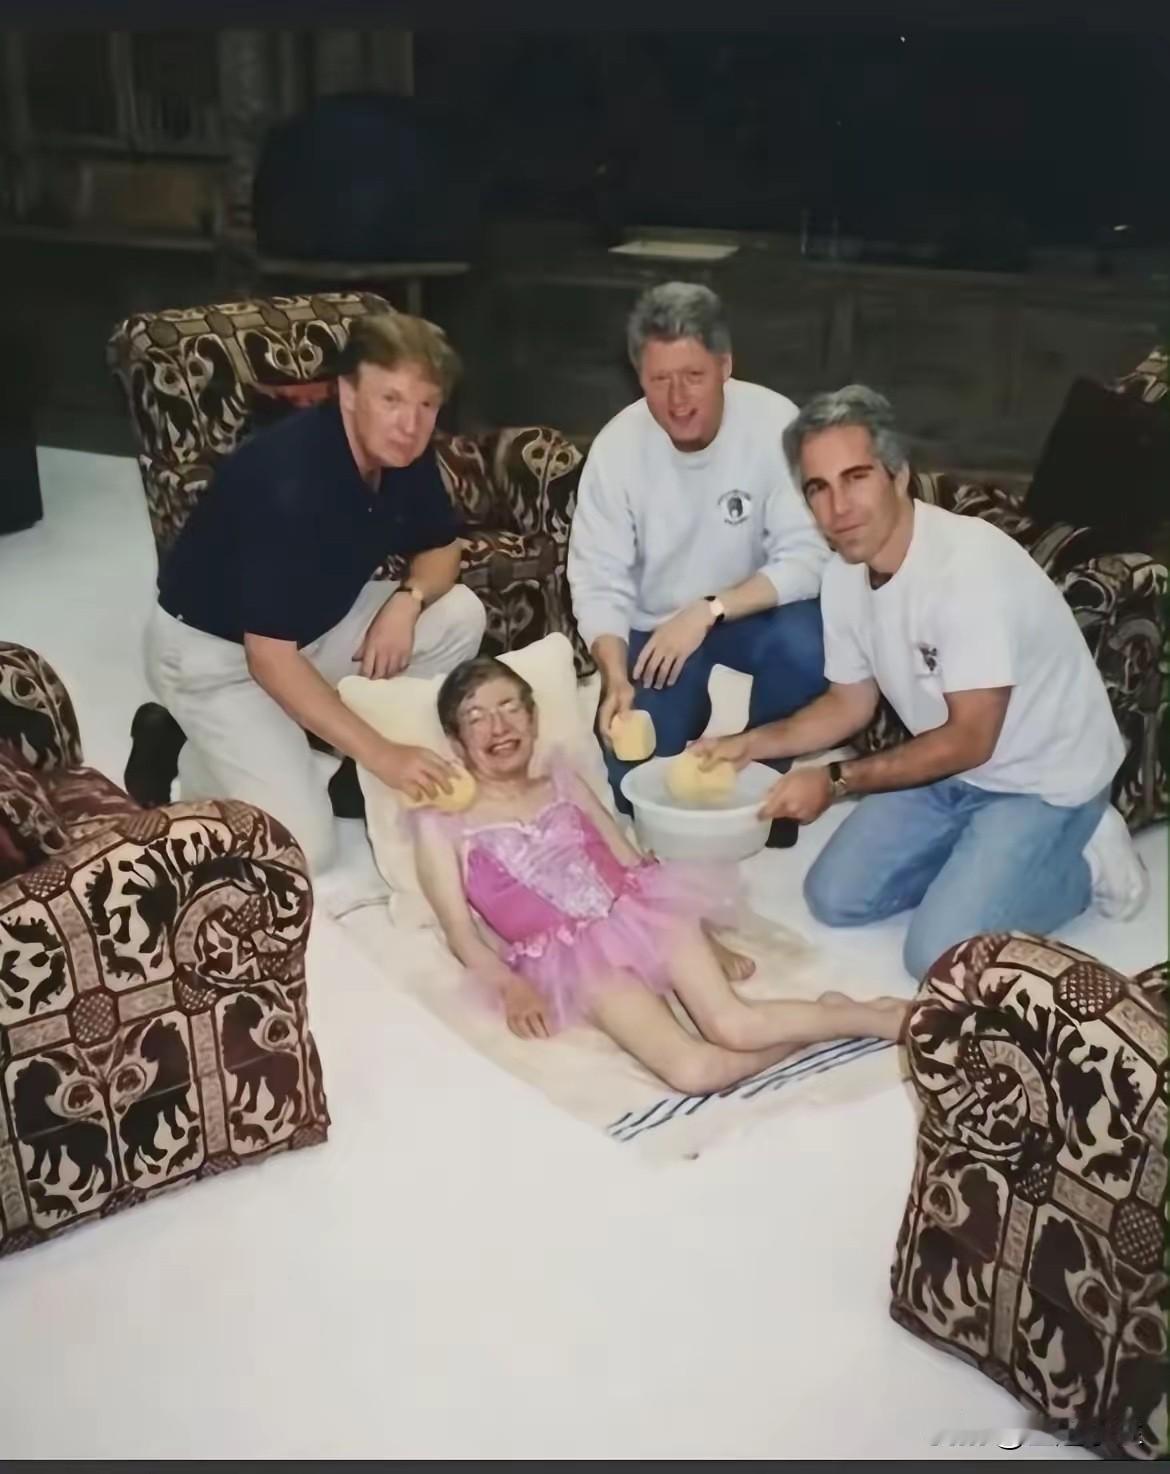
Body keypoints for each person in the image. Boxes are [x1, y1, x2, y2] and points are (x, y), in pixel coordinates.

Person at [694, 385, 1145, 981]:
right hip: (952, 770)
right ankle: (981, 861)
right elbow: (848, 703)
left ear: (899, 474)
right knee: (835, 898)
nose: (838, 507)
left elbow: (971, 739)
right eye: (819, 488)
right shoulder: (845, 575)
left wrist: (835, 779)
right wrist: (748, 744)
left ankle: (1090, 859)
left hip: (1043, 781)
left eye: (856, 478)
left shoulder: (966, 571)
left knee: (935, 954)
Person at [412, 656, 906, 1096]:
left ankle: (864, 1015)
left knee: (736, 1026)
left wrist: (705, 936)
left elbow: (630, 861)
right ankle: (821, 1029)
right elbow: (462, 933)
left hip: (640, 909)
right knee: (694, 1070)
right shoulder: (443, 826)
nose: (499, 727)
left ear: (533, 717)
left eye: (510, 708)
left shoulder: (562, 781)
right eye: (477, 717)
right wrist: (510, 987)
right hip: (573, 958)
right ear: (457, 742)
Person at [129, 312, 485, 872]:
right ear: (348, 393)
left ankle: (337, 763)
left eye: (427, 404)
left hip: (309, 629)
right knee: (304, 850)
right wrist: (383, 754)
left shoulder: (403, 452)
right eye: (391, 399)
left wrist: (408, 600)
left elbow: (444, 549)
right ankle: (181, 753)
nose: (410, 424)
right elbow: (268, 659)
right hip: (214, 659)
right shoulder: (289, 480)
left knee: (458, 613)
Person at [566, 281, 830, 815]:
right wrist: (614, 676)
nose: (677, 399)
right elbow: (597, 582)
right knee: (631, 792)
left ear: (725, 366)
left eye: (693, 376)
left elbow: (810, 557)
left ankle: (763, 769)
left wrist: (709, 610)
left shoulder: (777, 424)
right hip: (657, 631)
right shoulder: (617, 447)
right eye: (659, 380)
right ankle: (688, 705)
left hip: (750, 615)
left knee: (809, 646)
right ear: (639, 376)